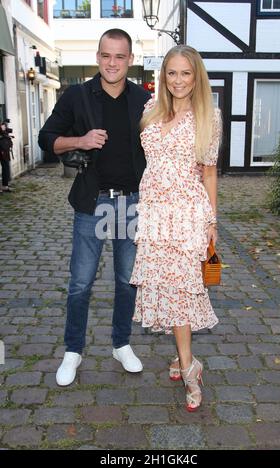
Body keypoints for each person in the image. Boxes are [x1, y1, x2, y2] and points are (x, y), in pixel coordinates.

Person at [38, 29, 151, 386]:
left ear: (129, 60)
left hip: (132, 203)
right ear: (97, 57)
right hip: (93, 202)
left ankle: (121, 343)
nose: (112, 63)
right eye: (106, 55)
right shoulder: (77, 96)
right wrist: (81, 140)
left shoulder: (144, 99)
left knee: (126, 282)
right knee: (80, 284)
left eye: (120, 56)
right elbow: (46, 139)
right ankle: (73, 350)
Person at [130, 45, 221, 411]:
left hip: (187, 214)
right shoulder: (149, 111)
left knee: (181, 290)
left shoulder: (208, 116)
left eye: (186, 73)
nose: (178, 80)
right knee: (168, 286)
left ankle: (188, 368)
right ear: (163, 76)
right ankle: (183, 359)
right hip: (154, 214)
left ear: (196, 75)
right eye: (172, 73)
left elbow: (210, 171)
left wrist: (212, 221)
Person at [0, 120, 14, 194]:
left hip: (4, 149)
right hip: (1, 148)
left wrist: (4, 125)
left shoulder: (2, 123)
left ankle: (5, 186)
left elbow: (5, 131)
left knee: (5, 167)